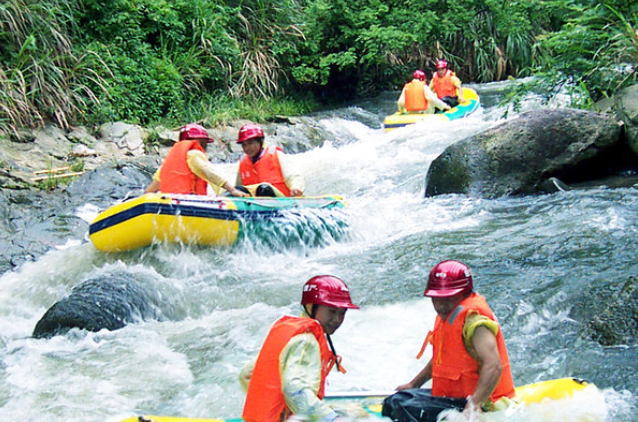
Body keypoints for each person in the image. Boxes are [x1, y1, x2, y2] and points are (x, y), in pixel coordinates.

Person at [383, 260, 515, 422]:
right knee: (395, 401)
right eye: (436, 298)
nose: (440, 305)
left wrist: (475, 403)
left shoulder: (475, 321)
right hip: (454, 398)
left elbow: (494, 366)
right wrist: (413, 384)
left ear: (464, 293)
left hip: (486, 403)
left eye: (448, 298)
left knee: (404, 407)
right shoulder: (451, 316)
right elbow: (443, 358)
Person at [241, 275, 359, 422]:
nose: (337, 320)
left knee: (355, 412)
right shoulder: (306, 341)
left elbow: (247, 373)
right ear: (310, 306)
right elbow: (295, 390)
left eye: (342, 313)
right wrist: (332, 419)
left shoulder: (289, 332)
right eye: (331, 311)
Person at [145, 123, 248, 197]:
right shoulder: (194, 154)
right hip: (189, 203)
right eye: (203, 143)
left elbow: (149, 191)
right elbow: (210, 173)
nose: (204, 148)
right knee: (236, 192)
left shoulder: (168, 164)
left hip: (172, 205)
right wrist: (232, 190)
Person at [235, 124, 305, 197]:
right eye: (244, 145)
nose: (247, 148)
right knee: (237, 189)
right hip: (253, 202)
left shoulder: (276, 155)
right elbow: (238, 188)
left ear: (260, 142)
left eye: (250, 143)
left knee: (264, 188)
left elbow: (293, 176)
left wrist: (296, 187)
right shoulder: (243, 161)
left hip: (280, 199)